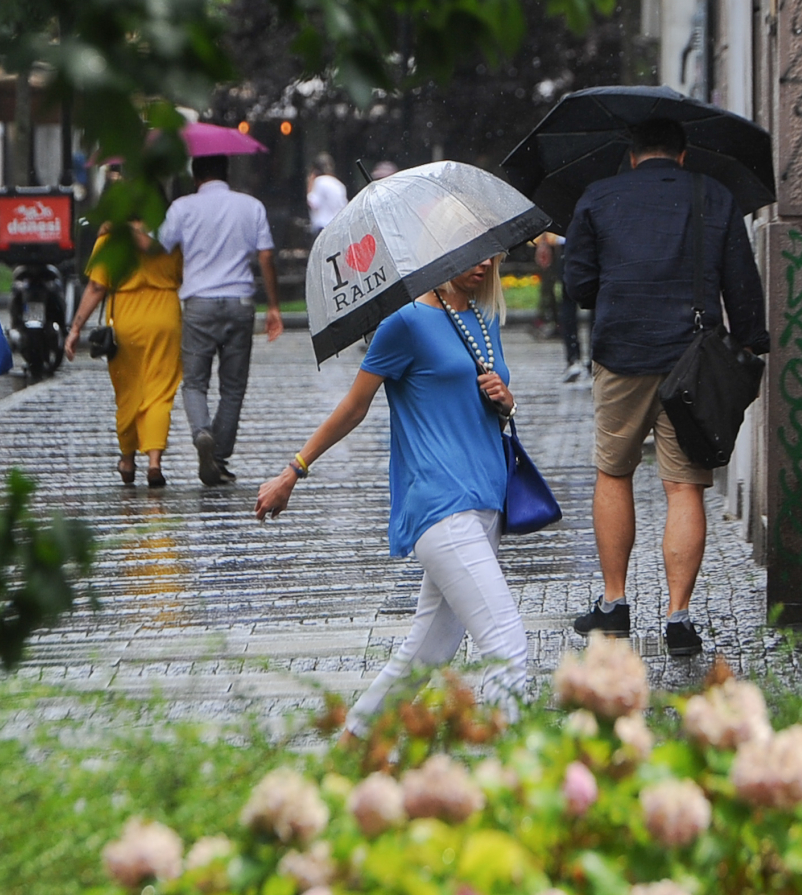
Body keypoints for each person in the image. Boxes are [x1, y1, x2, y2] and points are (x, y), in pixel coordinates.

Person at [255, 256, 530, 731]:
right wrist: (294, 470)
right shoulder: (404, 323)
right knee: (507, 643)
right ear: (441, 252)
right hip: (441, 506)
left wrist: (507, 400)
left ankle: (355, 740)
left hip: (488, 500)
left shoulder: (484, 321)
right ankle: (521, 774)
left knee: (430, 649)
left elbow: (480, 408)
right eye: (470, 253)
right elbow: (354, 406)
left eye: (490, 252)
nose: (484, 262)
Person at [563, 117, 768, 657]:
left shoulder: (597, 196)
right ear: (683, 155)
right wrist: (751, 342)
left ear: (632, 155)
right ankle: (679, 617)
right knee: (685, 486)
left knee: (614, 471)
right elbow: (741, 281)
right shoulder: (714, 195)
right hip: (693, 362)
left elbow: (579, 285)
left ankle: (614, 604)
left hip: (621, 354)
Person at [158, 155, 283, 485]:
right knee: (233, 387)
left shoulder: (182, 208)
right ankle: (219, 456)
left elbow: (161, 247)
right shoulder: (251, 206)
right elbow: (266, 255)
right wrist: (273, 306)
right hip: (240, 302)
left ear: (195, 176)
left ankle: (202, 433)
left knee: (195, 382)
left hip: (199, 303)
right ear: (226, 173)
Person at [66, 216, 184, 487]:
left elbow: (97, 287)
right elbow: (183, 274)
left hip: (126, 319)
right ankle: (154, 462)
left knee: (128, 391)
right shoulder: (171, 235)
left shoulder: (110, 238)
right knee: (160, 392)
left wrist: (75, 328)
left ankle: (128, 460)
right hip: (165, 315)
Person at [533, 231, 585, 382]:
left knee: (573, 302)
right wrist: (544, 242)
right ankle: (574, 357)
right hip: (571, 243)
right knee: (568, 301)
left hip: (580, 241)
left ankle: (579, 358)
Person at [306, 153, 348, 235]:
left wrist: (310, 184)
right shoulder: (339, 184)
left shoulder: (319, 181)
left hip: (322, 227)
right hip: (337, 228)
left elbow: (313, 203)